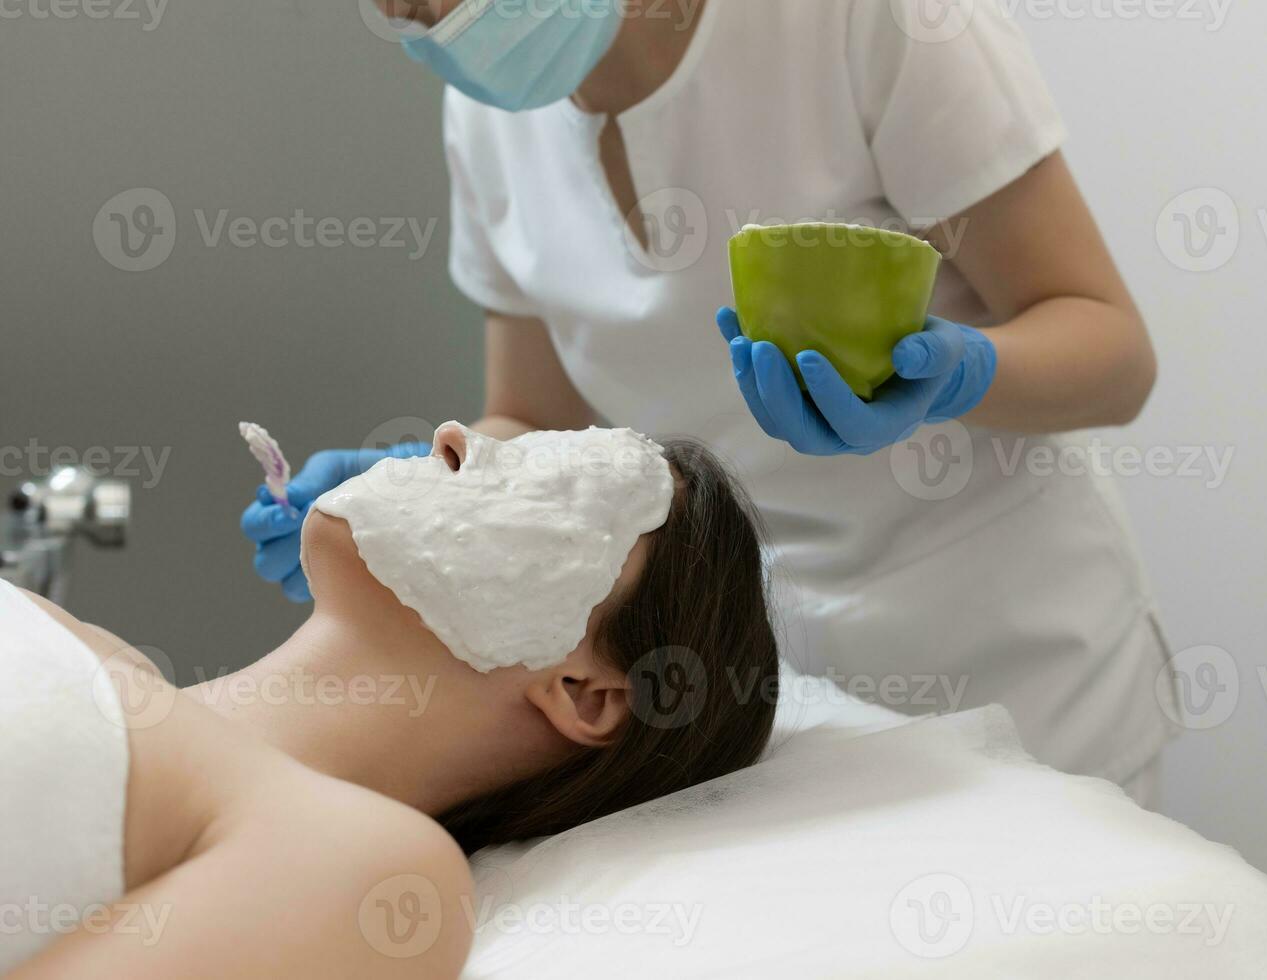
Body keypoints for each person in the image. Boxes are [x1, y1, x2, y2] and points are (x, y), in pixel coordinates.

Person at [247, 0, 1172, 805]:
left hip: (1002, 651)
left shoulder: (867, 20)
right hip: (743, 692)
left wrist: (956, 378)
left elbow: (1112, 349)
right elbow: (532, 416)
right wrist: (422, 500)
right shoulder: (492, 112)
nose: (410, 22)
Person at [3, 434, 779, 977]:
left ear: (585, 692)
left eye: (556, 479)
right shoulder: (83, 646)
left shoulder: (380, 875)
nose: (450, 435)